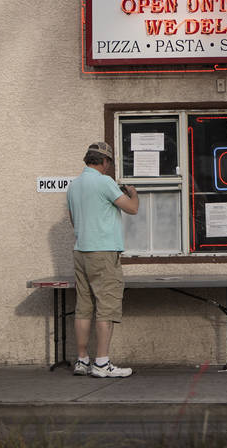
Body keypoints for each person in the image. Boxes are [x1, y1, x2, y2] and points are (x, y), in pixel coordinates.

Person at [66, 140, 138, 378]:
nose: (108, 167)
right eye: (108, 163)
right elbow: (131, 209)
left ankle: (82, 360)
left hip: (81, 251)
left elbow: (74, 220)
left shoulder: (74, 186)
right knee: (106, 307)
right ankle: (102, 363)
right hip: (104, 252)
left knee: (84, 307)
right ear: (104, 161)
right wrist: (133, 194)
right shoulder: (104, 182)